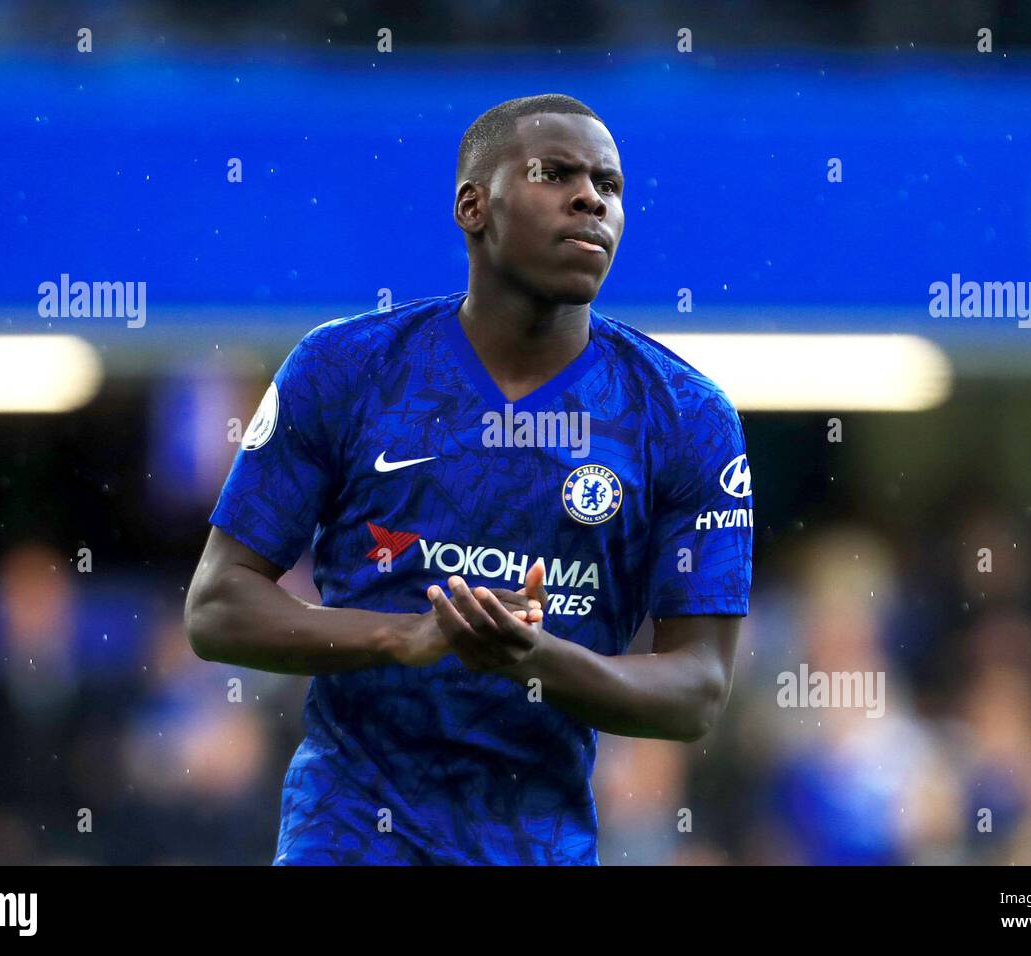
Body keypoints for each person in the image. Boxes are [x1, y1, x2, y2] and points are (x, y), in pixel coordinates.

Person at [184, 93, 754, 864]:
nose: (591, 198)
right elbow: (217, 606)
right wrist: (404, 636)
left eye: (609, 186)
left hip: (536, 842)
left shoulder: (685, 416)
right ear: (473, 206)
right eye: (555, 173)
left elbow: (698, 691)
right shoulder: (345, 369)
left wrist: (534, 657)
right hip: (348, 833)